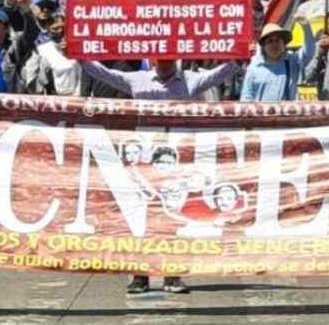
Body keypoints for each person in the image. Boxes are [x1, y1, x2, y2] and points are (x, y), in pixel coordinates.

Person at [81, 56, 242, 296]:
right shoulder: (138, 81)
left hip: (176, 164)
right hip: (146, 163)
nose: (166, 64)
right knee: (142, 218)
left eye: (170, 60)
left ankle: (172, 275)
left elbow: (219, 74)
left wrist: (239, 57)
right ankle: (139, 276)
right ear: (153, 60)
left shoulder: (190, 81)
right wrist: (80, 58)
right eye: (161, 60)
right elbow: (105, 74)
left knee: (171, 219)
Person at [240, 20, 316, 102]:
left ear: (284, 43)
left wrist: (306, 27)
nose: (274, 44)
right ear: (264, 46)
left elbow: (309, 52)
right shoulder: (254, 67)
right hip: (261, 114)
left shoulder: (292, 61)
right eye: (270, 41)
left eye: (277, 40)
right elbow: (246, 97)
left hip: (288, 114)